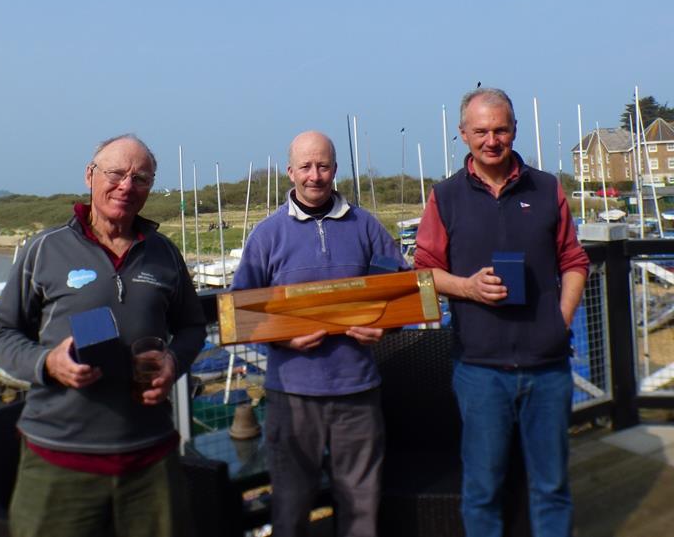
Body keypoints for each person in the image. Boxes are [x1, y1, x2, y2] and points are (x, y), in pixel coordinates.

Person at [0, 134, 206, 537]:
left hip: (150, 457)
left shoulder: (165, 253)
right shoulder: (44, 249)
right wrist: (47, 363)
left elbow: (192, 326)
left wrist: (174, 361)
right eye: (116, 173)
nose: (126, 186)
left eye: (140, 178)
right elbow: (0, 333)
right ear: (90, 175)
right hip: (58, 458)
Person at [414, 88, 590, 537]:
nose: (491, 140)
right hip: (479, 370)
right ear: (462, 134)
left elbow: (574, 262)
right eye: (480, 131)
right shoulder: (445, 197)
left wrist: (562, 320)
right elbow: (424, 273)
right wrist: (468, 287)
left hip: (547, 368)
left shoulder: (548, 187)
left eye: (500, 130)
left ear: (514, 130)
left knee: (551, 488)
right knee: (482, 491)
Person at [231, 130, 408, 537]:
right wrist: (282, 338)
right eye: (306, 167)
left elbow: (401, 289)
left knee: (362, 508)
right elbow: (241, 312)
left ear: (335, 169)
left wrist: (383, 323)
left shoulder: (366, 226)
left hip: (358, 391)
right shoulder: (266, 235)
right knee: (290, 509)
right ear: (290, 172)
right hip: (291, 397)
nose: (315, 176)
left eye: (323, 165)